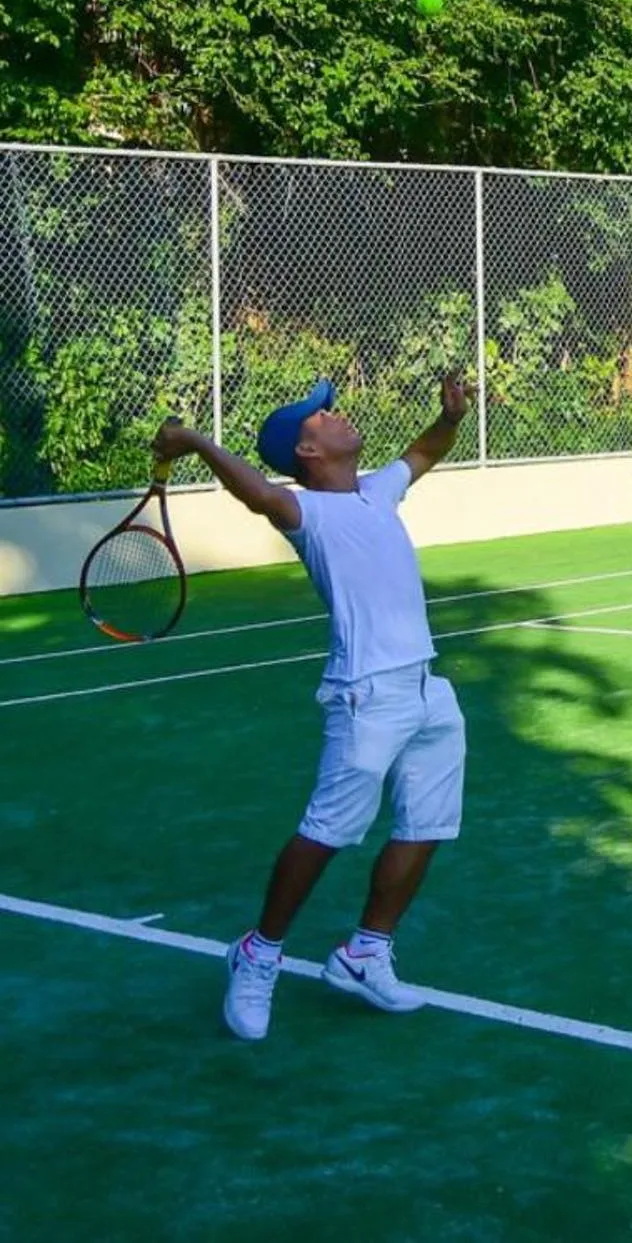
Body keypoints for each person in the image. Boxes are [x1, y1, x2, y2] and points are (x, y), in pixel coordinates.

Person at [153, 372, 472, 1041]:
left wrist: (449, 417)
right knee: (327, 831)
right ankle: (258, 952)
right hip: (365, 696)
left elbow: (426, 451)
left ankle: (366, 952)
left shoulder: (378, 491)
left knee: (427, 824)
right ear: (307, 452)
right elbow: (258, 493)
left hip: (426, 688)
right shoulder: (307, 514)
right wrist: (195, 441)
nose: (337, 414)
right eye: (321, 417)